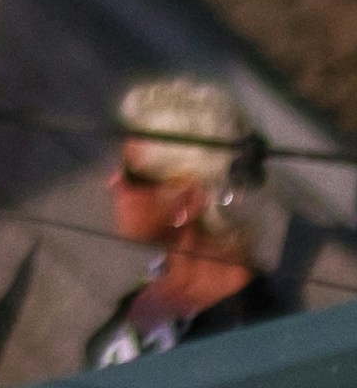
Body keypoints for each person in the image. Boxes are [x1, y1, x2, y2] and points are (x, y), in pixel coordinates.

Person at [82, 71, 299, 370]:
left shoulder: (242, 336)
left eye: (131, 175)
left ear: (185, 202)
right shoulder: (162, 276)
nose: (113, 182)